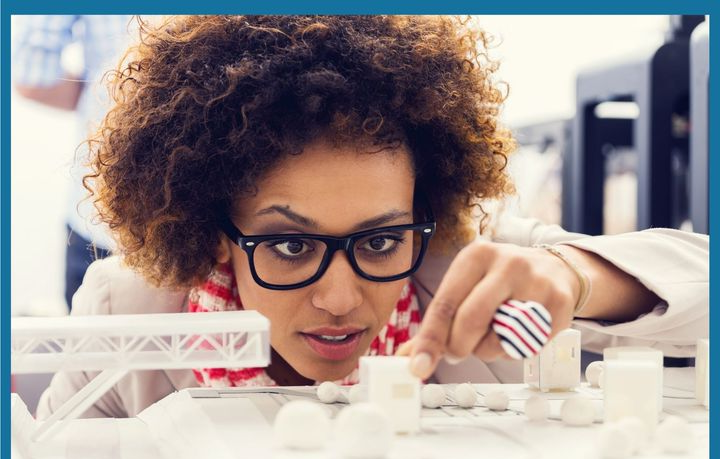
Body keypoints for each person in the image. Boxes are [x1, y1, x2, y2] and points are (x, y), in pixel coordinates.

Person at [36, 15, 708, 419]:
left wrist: (574, 276)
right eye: (291, 246)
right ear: (217, 235)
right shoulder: (129, 316)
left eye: (381, 239)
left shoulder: (458, 271)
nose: (339, 298)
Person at [12, 15, 135, 310]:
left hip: (99, 216)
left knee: (89, 350)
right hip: (213, 221)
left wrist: (110, 98)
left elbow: (32, 75)